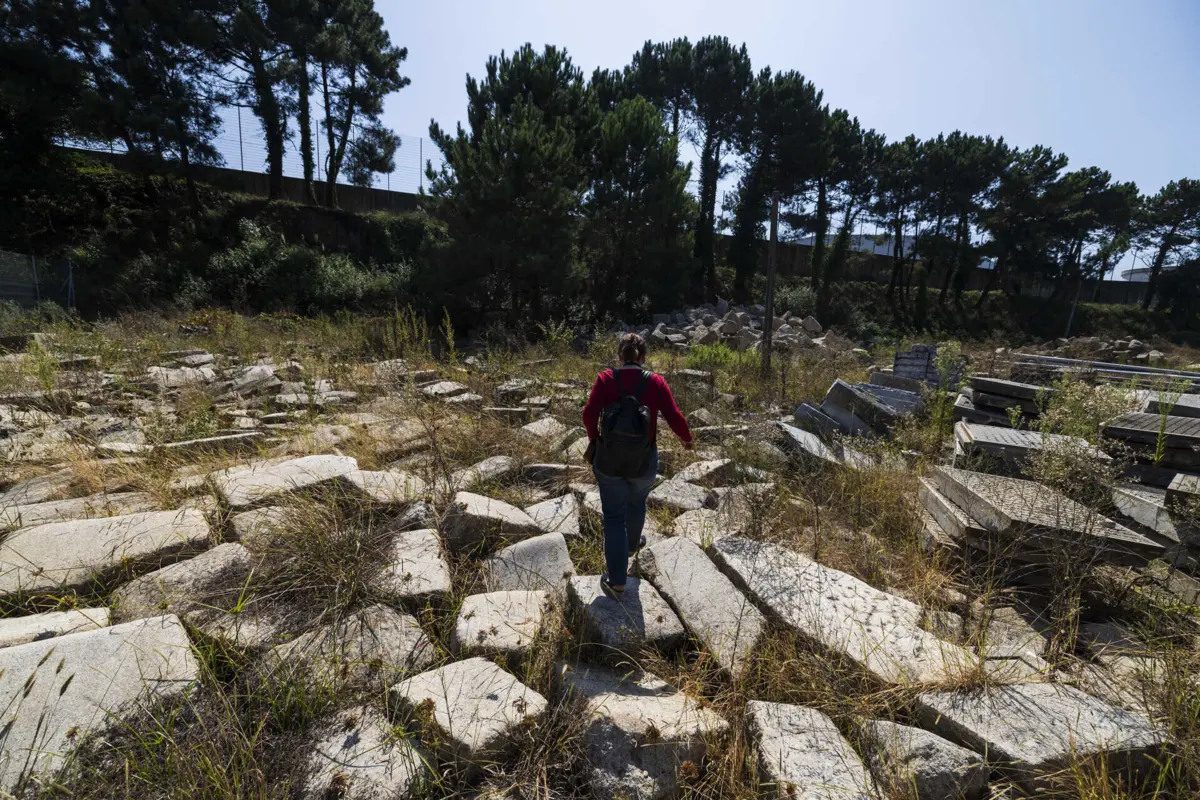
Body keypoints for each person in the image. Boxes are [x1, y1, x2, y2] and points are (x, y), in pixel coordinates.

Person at [582, 332, 694, 598]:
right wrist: (687, 440)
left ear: (620, 356)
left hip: (609, 460)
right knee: (637, 501)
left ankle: (617, 581)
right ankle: (631, 544)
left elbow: (588, 414)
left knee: (613, 516)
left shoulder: (606, 379)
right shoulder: (655, 382)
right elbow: (674, 417)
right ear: (644, 357)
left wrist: (595, 439)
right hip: (644, 460)